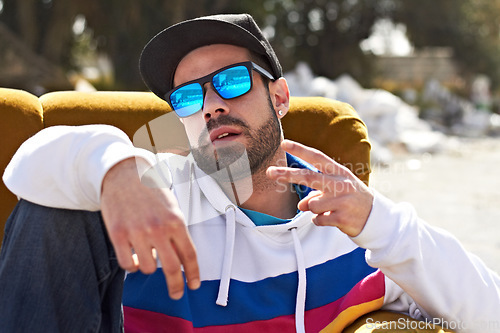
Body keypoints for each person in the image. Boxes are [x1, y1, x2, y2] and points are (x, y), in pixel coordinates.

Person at [1, 13, 499, 333]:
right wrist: (116, 170)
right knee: (62, 209)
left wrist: (380, 220)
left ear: (279, 98)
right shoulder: (158, 193)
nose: (212, 106)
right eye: (189, 97)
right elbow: (28, 165)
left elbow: (488, 315)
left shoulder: (355, 233)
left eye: (233, 81)